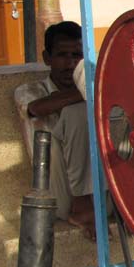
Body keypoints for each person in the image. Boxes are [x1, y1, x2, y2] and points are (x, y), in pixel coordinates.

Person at [14, 21, 94, 233]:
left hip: (99, 193)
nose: (70, 64)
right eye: (62, 55)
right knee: (76, 113)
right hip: (60, 196)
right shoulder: (30, 90)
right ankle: (82, 203)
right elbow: (38, 108)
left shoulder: (90, 88)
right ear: (47, 58)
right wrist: (92, 90)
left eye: (76, 56)